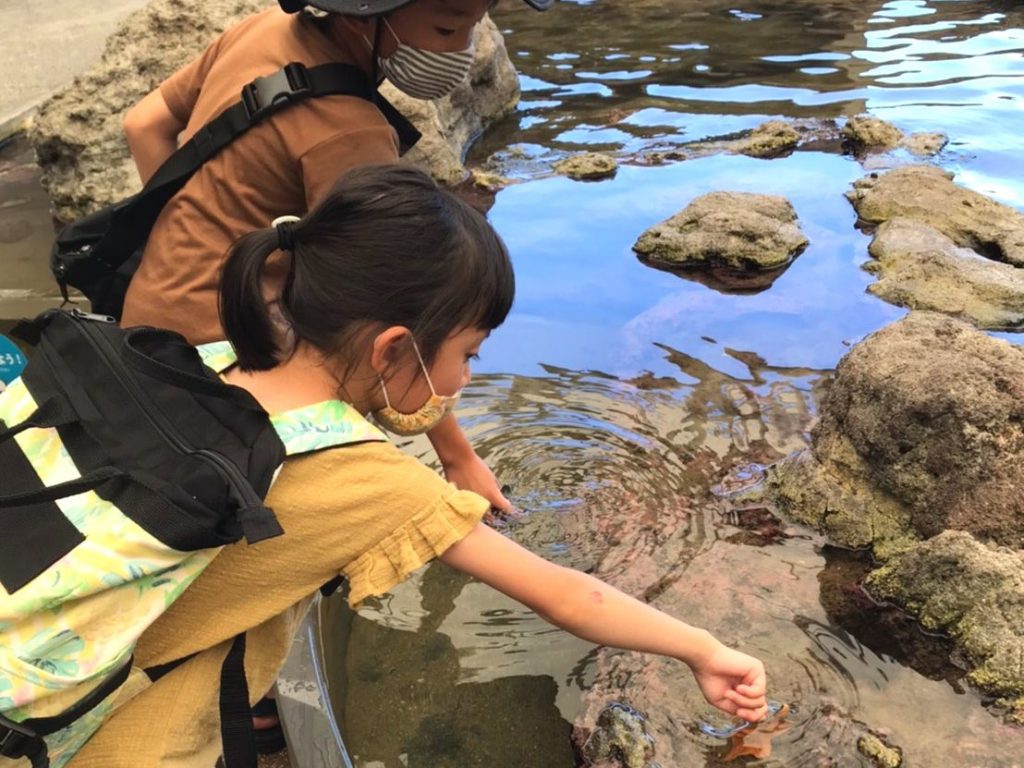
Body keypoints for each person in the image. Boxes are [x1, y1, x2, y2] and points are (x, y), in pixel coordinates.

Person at [65, 165, 768, 766]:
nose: (463, 380)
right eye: (468, 354)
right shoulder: (370, 480)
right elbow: (569, 597)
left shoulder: (206, 360)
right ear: (393, 350)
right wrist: (703, 649)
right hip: (95, 735)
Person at [120, 0, 547, 514]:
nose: (461, 50)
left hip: (140, 329)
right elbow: (403, 309)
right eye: (447, 25)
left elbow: (143, 124)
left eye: (473, 25)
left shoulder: (262, 32)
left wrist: (188, 231)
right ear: (364, 14)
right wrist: (457, 458)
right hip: (232, 367)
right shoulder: (349, 130)